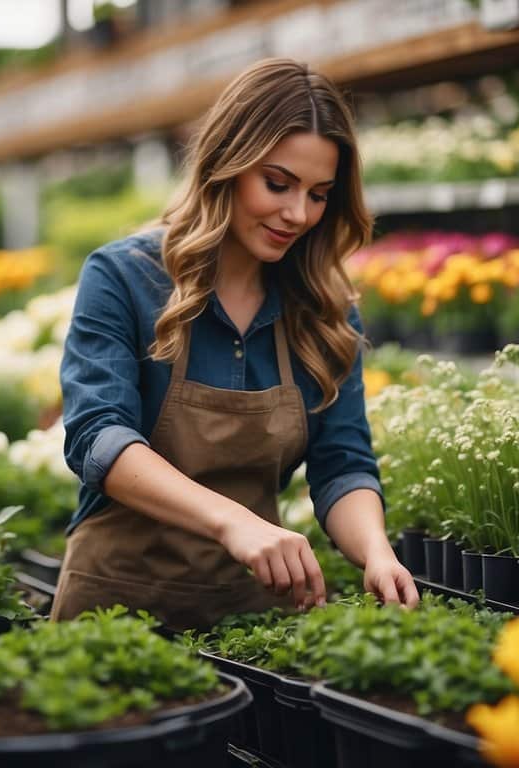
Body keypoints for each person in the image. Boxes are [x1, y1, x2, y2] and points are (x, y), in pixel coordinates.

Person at [53, 58, 417, 630]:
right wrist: (233, 521)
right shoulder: (126, 277)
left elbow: (342, 463)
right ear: (226, 164)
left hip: (251, 618)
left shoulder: (321, 307)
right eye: (278, 184)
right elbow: (97, 438)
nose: (298, 213)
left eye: (319, 194)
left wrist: (375, 550)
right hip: (114, 609)